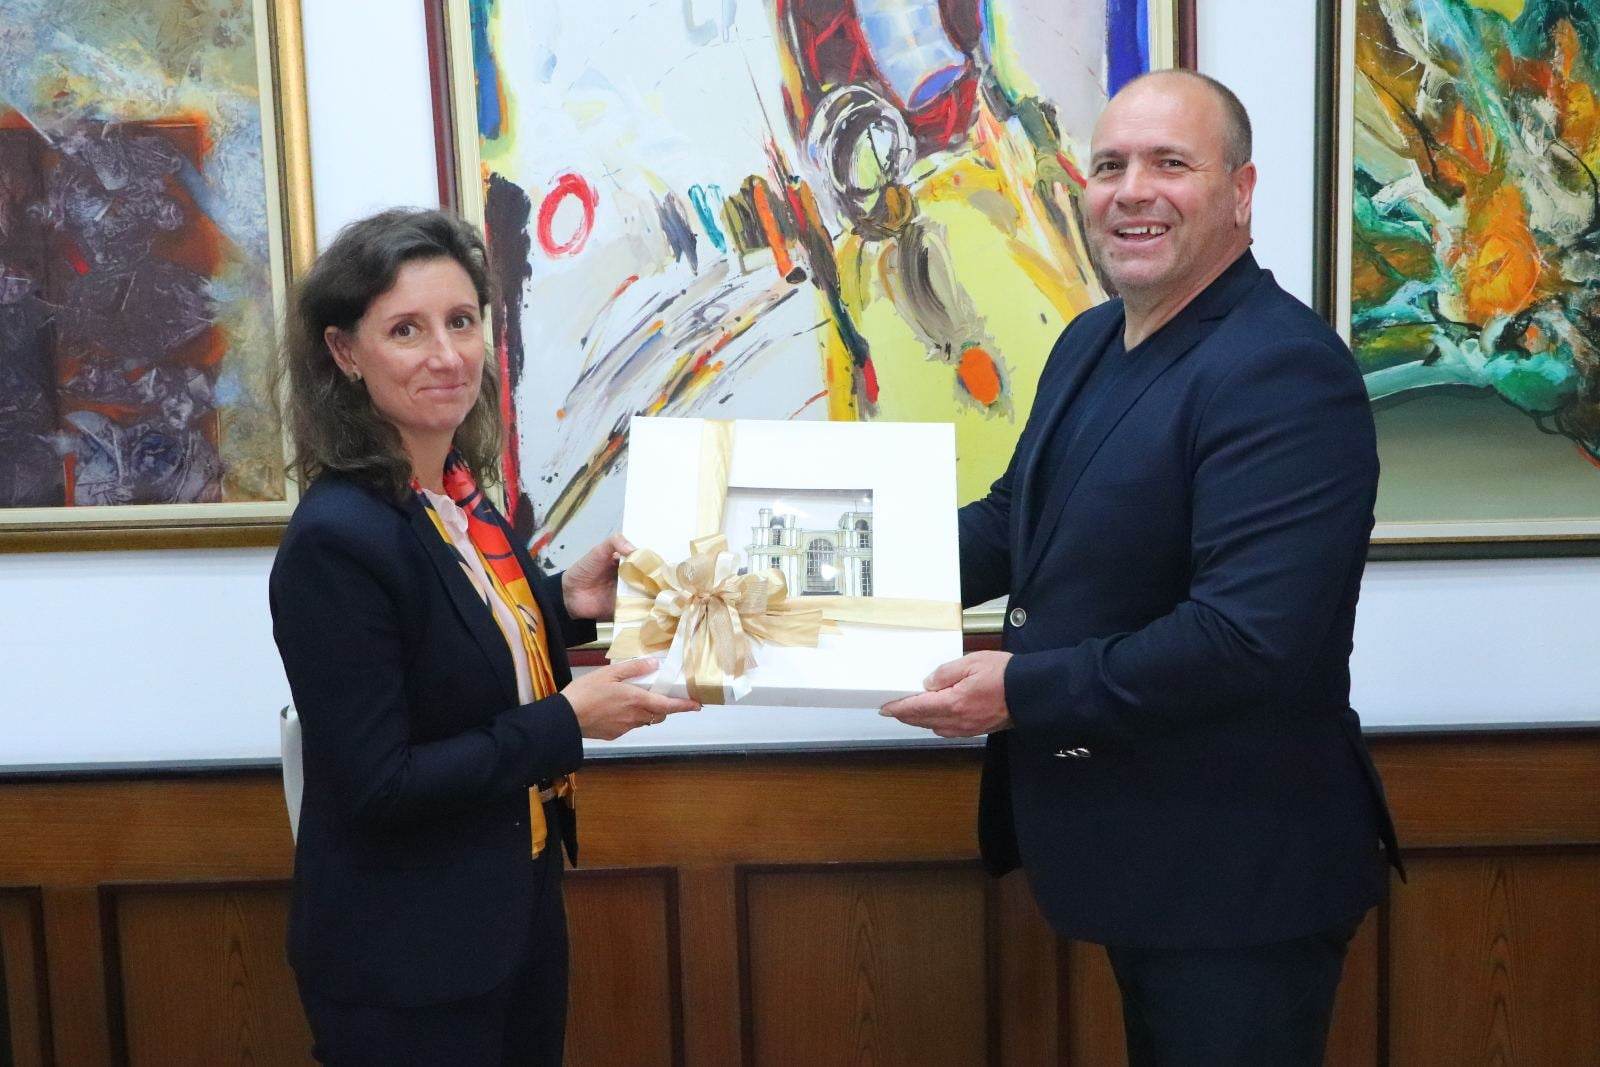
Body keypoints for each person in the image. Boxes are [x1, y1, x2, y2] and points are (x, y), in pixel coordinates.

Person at [882, 71, 1403, 1065]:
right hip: (1144, 850)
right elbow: (1010, 525)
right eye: (1110, 165)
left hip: (1240, 870)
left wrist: (1020, 689)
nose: (1132, 190)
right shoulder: (1090, 340)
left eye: (1170, 163)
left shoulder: (1282, 368)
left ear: (1240, 191)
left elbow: (1246, 639)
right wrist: (810, 577)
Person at [269, 208, 697, 1065]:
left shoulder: (458, 499)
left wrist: (566, 600)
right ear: (344, 352)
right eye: (406, 329)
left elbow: (457, 644)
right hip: (407, 957)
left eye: (461, 321)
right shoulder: (335, 540)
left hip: (510, 915)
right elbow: (382, 783)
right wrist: (567, 721)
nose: (447, 354)